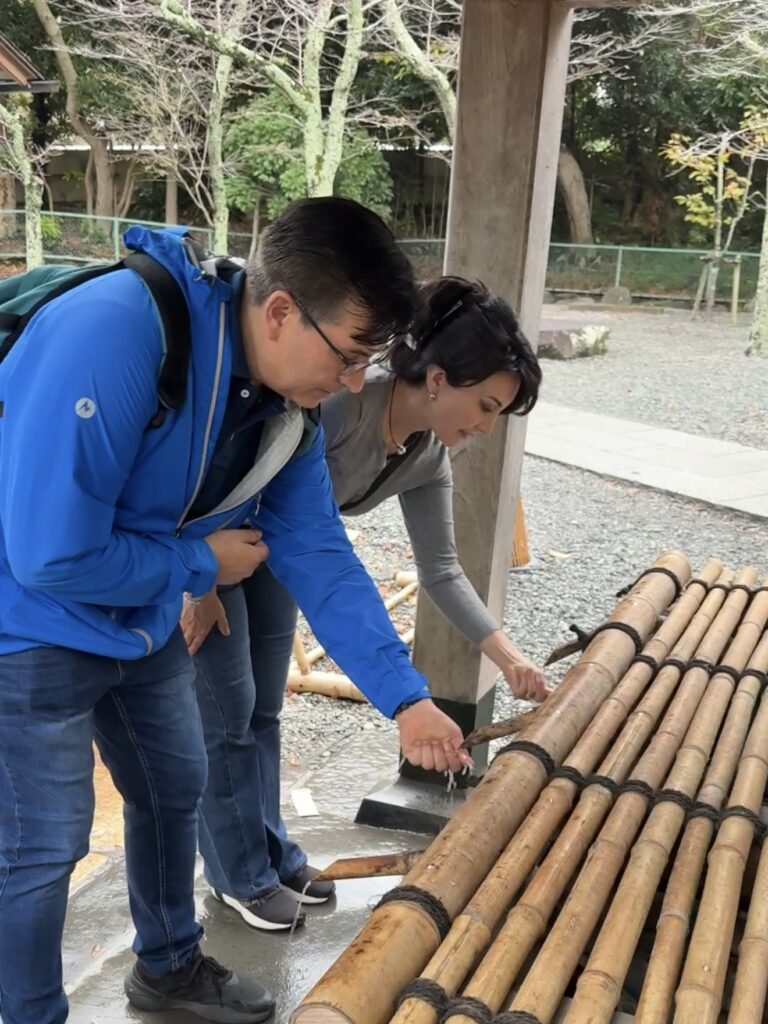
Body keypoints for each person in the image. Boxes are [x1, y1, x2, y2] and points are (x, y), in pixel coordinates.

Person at [0, 197, 471, 1024]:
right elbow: (50, 552)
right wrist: (197, 564)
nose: (356, 383)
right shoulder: (115, 332)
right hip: (25, 621)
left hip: (135, 619)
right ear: (282, 310)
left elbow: (319, 552)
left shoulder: (287, 408)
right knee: (43, 844)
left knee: (174, 782)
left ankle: (170, 966)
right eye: (352, 355)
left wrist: (406, 697)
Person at [183, 275, 546, 933]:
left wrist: (507, 656)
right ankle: (238, 876)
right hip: (217, 543)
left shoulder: (428, 458)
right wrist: (199, 580)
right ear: (438, 378)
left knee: (263, 710)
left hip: (283, 558)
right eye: (487, 405)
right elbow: (213, 467)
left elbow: (438, 571)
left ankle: (267, 852)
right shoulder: (341, 400)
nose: (487, 427)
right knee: (225, 715)